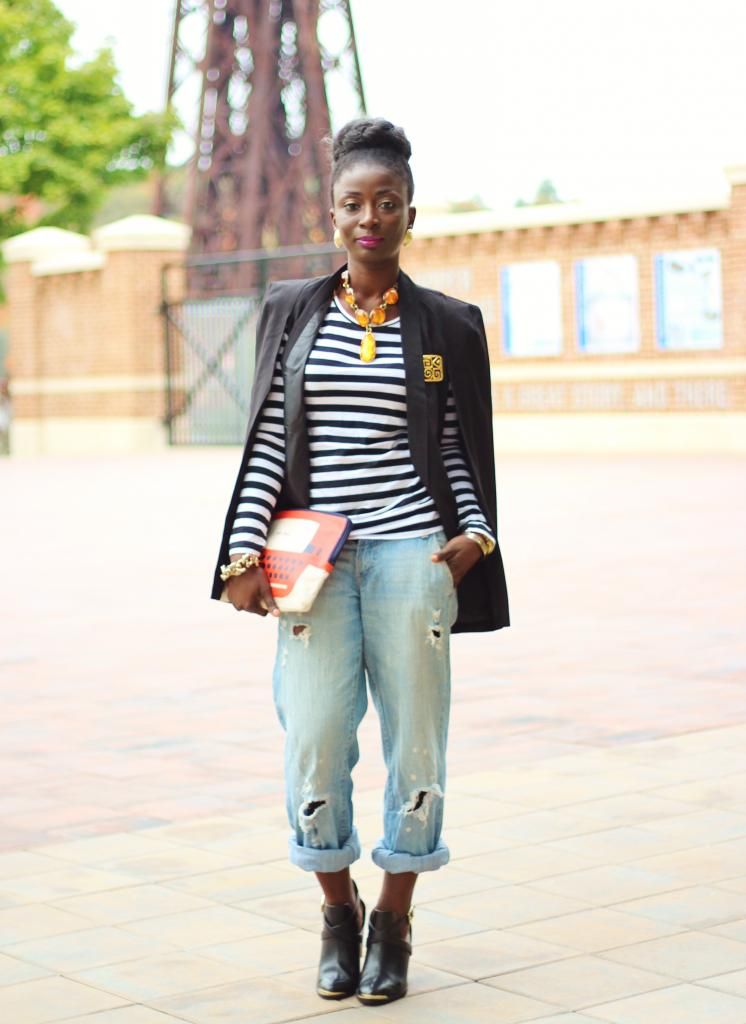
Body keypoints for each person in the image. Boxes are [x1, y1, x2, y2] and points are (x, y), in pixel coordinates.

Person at [211, 117, 509, 1005]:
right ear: (331, 212)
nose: (370, 217)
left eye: (387, 202)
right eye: (354, 203)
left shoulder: (444, 326)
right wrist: (240, 551)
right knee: (313, 739)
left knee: (416, 747)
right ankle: (336, 913)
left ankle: (394, 921)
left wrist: (474, 537)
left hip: (414, 554)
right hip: (314, 560)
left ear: (410, 211)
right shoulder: (290, 314)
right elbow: (267, 437)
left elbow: (457, 448)